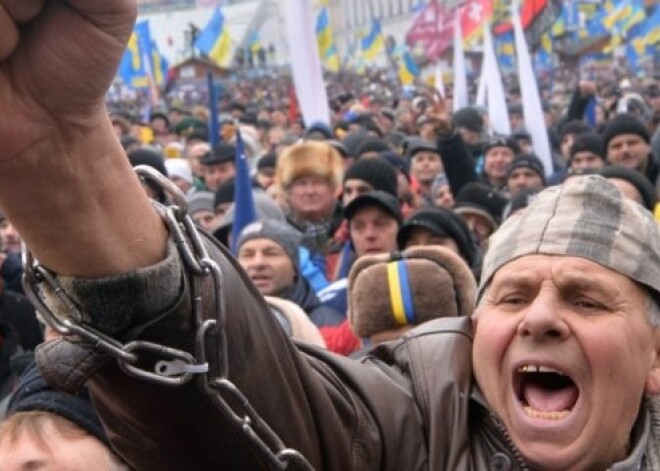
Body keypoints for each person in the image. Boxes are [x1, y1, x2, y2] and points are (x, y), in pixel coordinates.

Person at [2, 7, 660, 470]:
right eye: (512, 297)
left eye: (587, 300)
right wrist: (62, 152)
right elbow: (269, 407)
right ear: (475, 326)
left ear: (654, 356)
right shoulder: (414, 411)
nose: (540, 317)